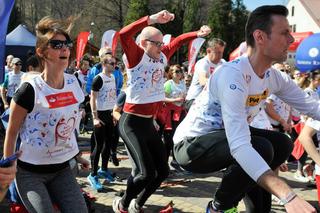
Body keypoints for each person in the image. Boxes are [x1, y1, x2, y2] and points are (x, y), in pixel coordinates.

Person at [173, 5, 317, 213]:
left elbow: (312, 107)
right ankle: (218, 208)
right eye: (284, 33)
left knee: (281, 143)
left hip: (227, 140)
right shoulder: (232, 75)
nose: (291, 40)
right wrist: (288, 195)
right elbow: (240, 145)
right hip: (191, 146)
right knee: (261, 147)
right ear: (260, 37)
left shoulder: (274, 77)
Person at [112, 10, 211, 213]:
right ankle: (121, 203)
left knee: (163, 171)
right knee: (144, 174)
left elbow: (180, 40)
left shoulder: (162, 55)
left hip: (148, 124)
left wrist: (198, 34)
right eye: (156, 43)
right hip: (130, 123)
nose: (161, 46)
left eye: (161, 43)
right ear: (144, 43)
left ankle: (136, 203)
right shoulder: (136, 55)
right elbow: (123, 35)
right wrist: (152, 19)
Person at [3, 16, 87, 213]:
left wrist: (75, 153)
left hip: (62, 170)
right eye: (57, 44)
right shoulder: (28, 90)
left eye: (67, 44)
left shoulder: (74, 84)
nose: (65, 48)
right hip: (30, 174)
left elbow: (68, 123)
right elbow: (12, 132)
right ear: (42, 51)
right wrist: (8, 169)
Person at [87, 53, 117, 191]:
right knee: (98, 146)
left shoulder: (112, 77)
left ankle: (103, 169)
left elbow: (113, 96)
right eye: (111, 63)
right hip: (100, 115)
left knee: (108, 144)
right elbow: (92, 98)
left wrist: (115, 114)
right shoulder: (98, 79)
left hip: (110, 114)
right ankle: (92, 175)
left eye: (114, 63)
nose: (114, 65)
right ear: (104, 64)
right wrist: (94, 117)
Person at [185, 38, 226, 111]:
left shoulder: (223, 63)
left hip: (209, 100)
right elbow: (203, 81)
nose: (221, 56)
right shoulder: (203, 63)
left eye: (222, 52)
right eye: (218, 52)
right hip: (194, 99)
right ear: (208, 51)